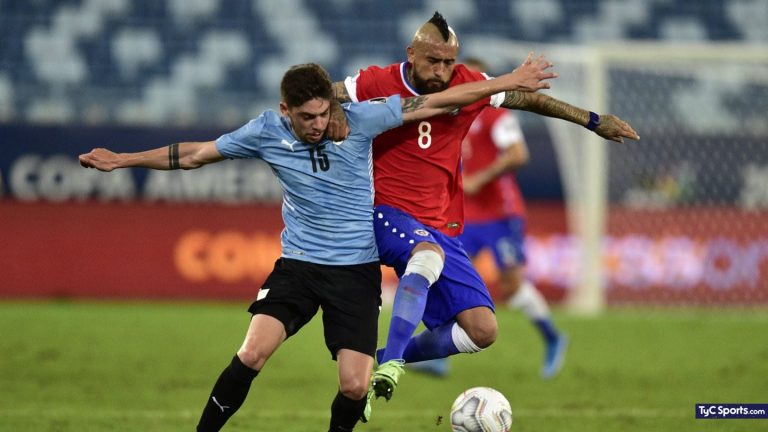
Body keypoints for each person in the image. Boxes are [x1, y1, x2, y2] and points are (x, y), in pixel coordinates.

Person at [78, 60, 556, 431]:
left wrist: (506, 80)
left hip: (355, 271)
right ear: (285, 110)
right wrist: (122, 160)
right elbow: (196, 154)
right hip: (299, 266)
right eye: (307, 117)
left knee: (354, 385)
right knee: (252, 352)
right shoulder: (265, 131)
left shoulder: (361, 119)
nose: (319, 124)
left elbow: (436, 103)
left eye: (325, 113)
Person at [330, 11, 639, 408]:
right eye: (433, 61)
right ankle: (391, 364)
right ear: (411, 54)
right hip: (385, 213)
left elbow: (528, 99)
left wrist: (591, 120)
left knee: (482, 330)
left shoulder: (468, 84)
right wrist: (329, 111)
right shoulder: (376, 81)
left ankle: (379, 361)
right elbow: (326, 91)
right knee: (425, 257)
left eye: (449, 62)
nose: (442, 70)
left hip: (441, 224)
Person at [409, 57, 568, 380]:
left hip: (500, 214)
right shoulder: (449, 113)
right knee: (444, 279)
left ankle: (552, 337)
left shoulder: (496, 114)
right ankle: (440, 357)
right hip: (464, 215)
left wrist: (480, 179)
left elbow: (518, 154)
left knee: (511, 285)